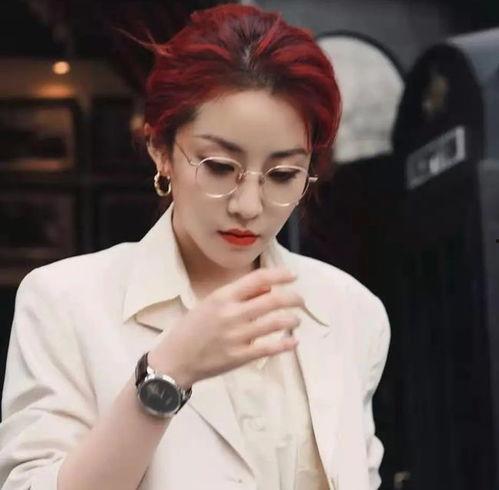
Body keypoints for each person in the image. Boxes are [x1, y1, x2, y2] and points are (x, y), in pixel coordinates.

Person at [0, 4, 390, 490]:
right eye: (219, 167)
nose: (248, 206)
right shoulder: (64, 302)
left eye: (283, 174)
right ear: (160, 150)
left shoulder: (350, 311)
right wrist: (166, 373)